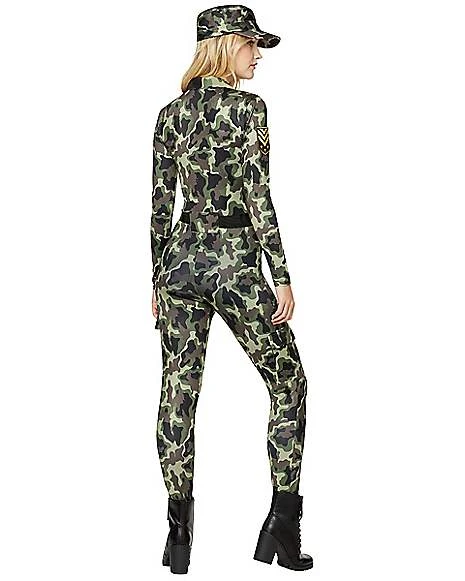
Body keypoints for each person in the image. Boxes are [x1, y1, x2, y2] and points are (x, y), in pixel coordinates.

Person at [151, 4, 313, 574]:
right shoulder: (249, 109)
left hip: (179, 267)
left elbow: (160, 206)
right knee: (289, 381)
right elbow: (257, 194)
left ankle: (178, 535)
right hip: (236, 266)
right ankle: (283, 526)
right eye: (250, 43)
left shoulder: (169, 115)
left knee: (178, 393)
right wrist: (280, 274)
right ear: (224, 45)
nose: (257, 54)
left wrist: (156, 280)